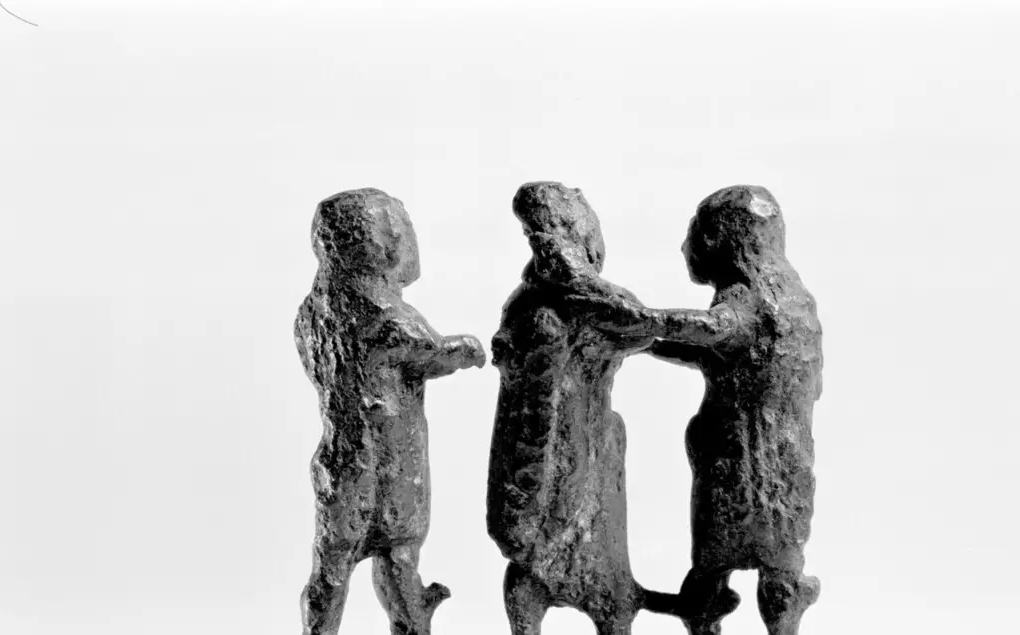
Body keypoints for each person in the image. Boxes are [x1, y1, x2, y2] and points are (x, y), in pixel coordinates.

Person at [487, 182, 739, 635]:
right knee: (550, 560)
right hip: (562, 456)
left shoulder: (542, 300)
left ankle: (611, 592)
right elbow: (636, 325)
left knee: (588, 558)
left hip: (588, 448)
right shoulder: (554, 305)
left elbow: (638, 329)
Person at [294, 189, 486, 635]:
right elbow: (434, 354)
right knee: (397, 556)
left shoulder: (312, 313)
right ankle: (411, 623)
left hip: (341, 461)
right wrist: (468, 350)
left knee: (334, 566)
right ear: (382, 244)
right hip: (391, 467)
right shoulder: (390, 316)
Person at [643, 185, 822, 635]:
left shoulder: (746, 297)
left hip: (740, 463)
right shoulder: (795, 299)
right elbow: (716, 351)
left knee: (714, 570)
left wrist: (642, 322)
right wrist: (645, 342)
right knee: (772, 569)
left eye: (696, 233)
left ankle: (715, 615)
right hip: (783, 463)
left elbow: (714, 330)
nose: (686, 247)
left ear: (723, 241)